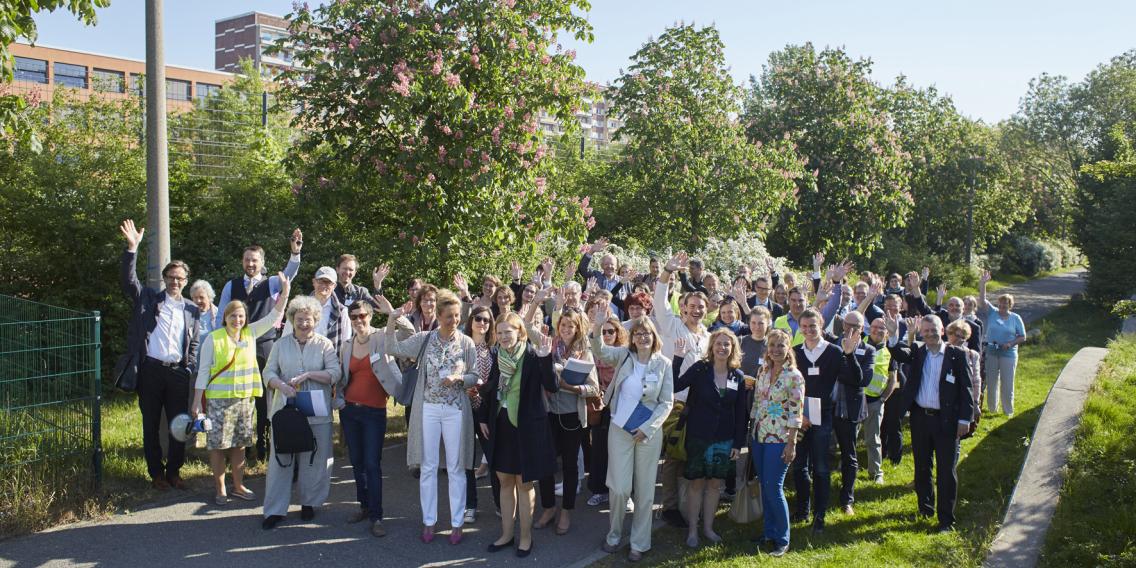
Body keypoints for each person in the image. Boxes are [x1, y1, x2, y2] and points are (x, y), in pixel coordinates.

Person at [380, 289, 479, 545]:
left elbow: (475, 375)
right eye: (449, 316)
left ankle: (457, 523)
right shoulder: (425, 339)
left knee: (456, 467)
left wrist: (459, 378)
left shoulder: (466, 342)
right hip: (429, 409)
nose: (454, 320)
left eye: (457, 316)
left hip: (456, 409)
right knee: (428, 466)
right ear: (440, 315)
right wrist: (391, 319)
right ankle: (429, 520)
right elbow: (392, 347)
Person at [116, 220, 202, 491]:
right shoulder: (149, 299)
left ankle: (174, 471)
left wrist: (189, 367)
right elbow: (129, 281)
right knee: (151, 424)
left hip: (178, 373)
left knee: (179, 425)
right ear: (164, 278)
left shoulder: (192, 309)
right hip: (150, 371)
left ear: (186, 281)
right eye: (171, 277)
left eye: (180, 278)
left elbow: (194, 343)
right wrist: (132, 248)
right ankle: (156, 474)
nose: (175, 282)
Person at [191, 272, 290, 506]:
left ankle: (238, 485)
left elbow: (274, 315)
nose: (237, 319)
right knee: (217, 446)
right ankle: (220, 488)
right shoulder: (213, 339)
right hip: (218, 401)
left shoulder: (250, 333)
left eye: (241, 316)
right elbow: (203, 372)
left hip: (244, 400)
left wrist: (285, 293)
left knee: (240, 444)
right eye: (233, 315)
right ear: (225, 317)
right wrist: (197, 401)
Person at [592, 312, 674, 562]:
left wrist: (648, 428)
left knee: (645, 490)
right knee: (619, 488)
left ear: (654, 336)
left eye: (646, 333)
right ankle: (614, 534)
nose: (642, 337)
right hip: (619, 429)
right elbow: (600, 350)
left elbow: (666, 402)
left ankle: (639, 542)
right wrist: (598, 326)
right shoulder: (624, 355)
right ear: (632, 337)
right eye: (638, 333)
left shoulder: (664, 364)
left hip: (648, 433)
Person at [215, 229, 303, 460]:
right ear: (242, 262)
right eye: (247, 260)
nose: (250, 264)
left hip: (265, 345)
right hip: (237, 347)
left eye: (254, 260)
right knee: (240, 396)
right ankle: (239, 445)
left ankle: (263, 444)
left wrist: (295, 254)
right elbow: (220, 317)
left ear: (262, 263)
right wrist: (219, 344)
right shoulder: (231, 285)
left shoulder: (271, 283)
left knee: (265, 398)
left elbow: (289, 275)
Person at [884, 313, 974, 532]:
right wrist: (894, 335)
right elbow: (899, 353)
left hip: (947, 420)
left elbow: (967, 389)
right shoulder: (918, 351)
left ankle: (946, 519)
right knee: (922, 467)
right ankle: (925, 509)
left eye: (934, 330)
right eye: (926, 331)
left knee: (946, 471)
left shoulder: (957, 355)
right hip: (920, 419)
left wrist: (965, 419)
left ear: (942, 331)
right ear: (921, 334)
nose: (930, 334)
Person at [478, 313, 558, 558]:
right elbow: (490, 388)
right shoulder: (497, 355)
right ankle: (506, 534)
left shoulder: (533, 355)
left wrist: (546, 358)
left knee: (524, 484)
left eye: (508, 332)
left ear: (520, 332)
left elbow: (552, 385)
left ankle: (525, 537)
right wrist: (483, 417)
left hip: (527, 428)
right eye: (500, 332)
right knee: (504, 481)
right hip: (500, 425)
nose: (503, 337)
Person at [261, 295, 341, 529]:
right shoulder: (280, 344)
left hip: (317, 412)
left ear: (315, 320)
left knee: (314, 459)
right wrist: (281, 385)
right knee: (281, 460)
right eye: (299, 319)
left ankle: (309, 503)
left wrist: (309, 375)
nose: (304, 323)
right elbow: (268, 372)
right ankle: (275, 510)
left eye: (308, 319)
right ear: (292, 320)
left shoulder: (324, 344)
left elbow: (335, 373)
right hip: (285, 411)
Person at [672, 329, 749, 549]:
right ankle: (693, 530)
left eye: (727, 344)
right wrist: (678, 359)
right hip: (699, 436)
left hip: (724, 439)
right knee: (696, 483)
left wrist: (737, 443)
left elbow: (741, 413)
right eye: (719, 343)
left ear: (732, 348)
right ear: (712, 346)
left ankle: (708, 528)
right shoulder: (700, 368)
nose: (722, 348)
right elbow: (675, 385)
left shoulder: (738, 376)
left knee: (715, 485)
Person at [526, 307, 600, 535]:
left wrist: (572, 387)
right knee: (546, 464)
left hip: (572, 417)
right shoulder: (549, 344)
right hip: (548, 413)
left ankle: (566, 511)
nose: (567, 329)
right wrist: (537, 300)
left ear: (578, 328)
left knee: (569, 466)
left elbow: (594, 388)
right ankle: (549, 508)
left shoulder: (584, 352)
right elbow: (527, 327)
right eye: (563, 324)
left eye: (571, 325)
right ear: (558, 326)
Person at [790, 308, 863, 533]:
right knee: (799, 466)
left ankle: (819, 515)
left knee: (821, 467)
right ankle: (802, 510)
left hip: (823, 416)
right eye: (804, 327)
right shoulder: (794, 352)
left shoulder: (834, 351)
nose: (808, 330)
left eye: (812, 326)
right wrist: (798, 414)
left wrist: (849, 355)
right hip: (800, 416)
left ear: (821, 324)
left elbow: (856, 379)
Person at [654, 251, 711, 528]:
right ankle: (669, 507)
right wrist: (667, 271)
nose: (697, 310)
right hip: (674, 403)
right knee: (673, 457)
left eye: (701, 306)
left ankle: (690, 504)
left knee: (691, 454)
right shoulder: (672, 325)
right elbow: (659, 300)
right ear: (684, 308)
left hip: (699, 405)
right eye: (692, 306)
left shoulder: (709, 337)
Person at [338, 300, 403, 537]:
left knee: (372, 464)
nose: (358, 320)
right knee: (357, 462)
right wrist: (339, 400)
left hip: (374, 412)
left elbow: (409, 334)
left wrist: (392, 314)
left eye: (362, 315)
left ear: (370, 316)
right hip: (349, 411)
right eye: (354, 317)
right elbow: (342, 377)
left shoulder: (381, 337)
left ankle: (377, 516)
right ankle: (364, 506)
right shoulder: (347, 345)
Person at [749, 328, 804, 557]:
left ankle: (782, 539)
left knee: (774, 487)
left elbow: (796, 412)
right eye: (772, 345)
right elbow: (757, 403)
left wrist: (791, 443)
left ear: (788, 347)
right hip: (759, 436)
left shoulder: (794, 376)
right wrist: (751, 430)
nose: (776, 350)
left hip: (780, 438)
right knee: (765, 486)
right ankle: (769, 532)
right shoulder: (763, 371)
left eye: (781, 345)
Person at [829, 311, 875, 516]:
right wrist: (848, 374)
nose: (851, 329)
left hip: (850, 408)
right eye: (848, 324)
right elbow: (829, 372)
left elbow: (863, 380)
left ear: (862, 329)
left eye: (856, 326)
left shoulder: (868, 350)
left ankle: (847, 499)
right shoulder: (831, 345)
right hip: (827, 405)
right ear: (843, 325)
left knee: (849, 454)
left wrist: (849, 357)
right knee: (821, 451)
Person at [585, 314, 629, 508]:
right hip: (600, 407)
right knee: (599, 450)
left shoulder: (625, 354)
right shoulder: (593, 353)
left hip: (622, 407)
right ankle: (599, 490)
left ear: (618, 333)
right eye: (603, 331)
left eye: (611, 331)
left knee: (622, 452)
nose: (607, 334)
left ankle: (624, 493)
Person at [464, 305, 500, 521]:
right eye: (478, 318)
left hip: (487, 413)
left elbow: (495, 384)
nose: (482, 323)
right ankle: (470, 505)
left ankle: (500, 503)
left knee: (494, 459)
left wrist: (485, 415)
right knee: (467, 461)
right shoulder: (461, 347)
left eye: (486, 320)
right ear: (471, 321)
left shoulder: (494, 350)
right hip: (465, 411)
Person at [978, 270, 1026, 416]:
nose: (1002, 306)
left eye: (1005, 304)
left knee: (1007, 383)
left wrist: (1010, 343)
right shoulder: (992, 312)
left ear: (1010, 305)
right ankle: (992, 409)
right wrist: (983, 283)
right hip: (992, 352)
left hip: (1008, 354)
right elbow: (982, 300)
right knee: (992, 381)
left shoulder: (1015, 318)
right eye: (1000, 303)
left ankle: (1008, 411)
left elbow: (1022, 337)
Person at [862, 317, 899, 484]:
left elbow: (893, 380)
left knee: (873, 439)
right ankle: (847, 467)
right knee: (849, 437)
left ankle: (876, 472)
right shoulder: (860, 342)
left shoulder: (890, 351)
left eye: (881, 328)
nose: (877, 330)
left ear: (887, 332)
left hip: (875, 401)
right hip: (856, 399)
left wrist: (883, 399)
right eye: (874, 327)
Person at [305, 266, 352, 359]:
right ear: (314, 282)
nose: (323, 285)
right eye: (320, 281)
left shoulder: (342, 311)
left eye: (328, 282)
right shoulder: (300, 307)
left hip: (330, 361)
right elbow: (287, 336)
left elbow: (346, 343)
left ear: (334, 286)